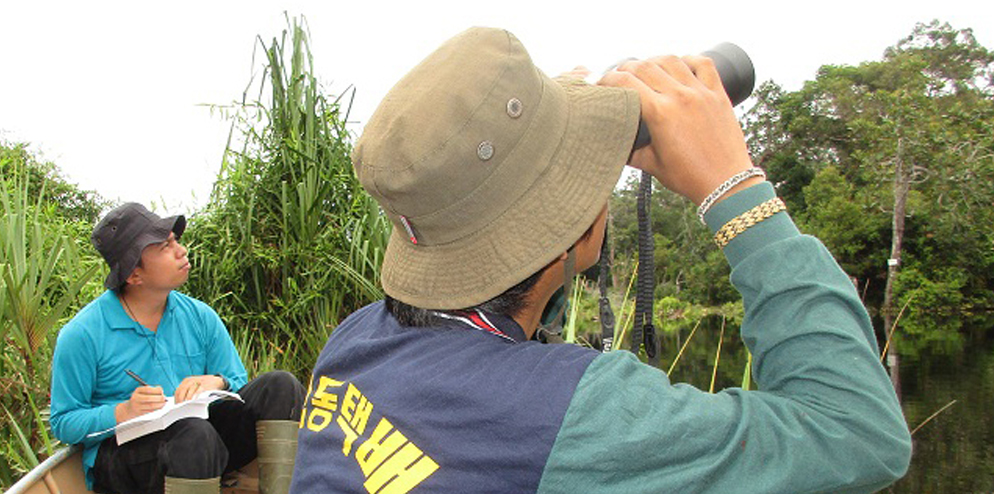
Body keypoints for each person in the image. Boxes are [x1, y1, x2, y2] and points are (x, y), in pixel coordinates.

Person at [289, 27, 912, 494]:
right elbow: (859, 432)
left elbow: (514, 302)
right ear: (571, 232)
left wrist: (543, 154)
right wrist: (733, 184)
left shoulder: (359, 341)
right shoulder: (572, 415)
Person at [50, 203, 306, 494]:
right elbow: (64, 421)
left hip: (203, 446)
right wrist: (122, 411)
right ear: (134, 275)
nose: (181, 250)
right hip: (125, 460)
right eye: (163, 247)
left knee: (280, 386)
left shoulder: (200, 316)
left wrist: (217, 381)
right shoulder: (82, 334)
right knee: (194, 435)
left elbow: (237, 381)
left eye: (175, 241)